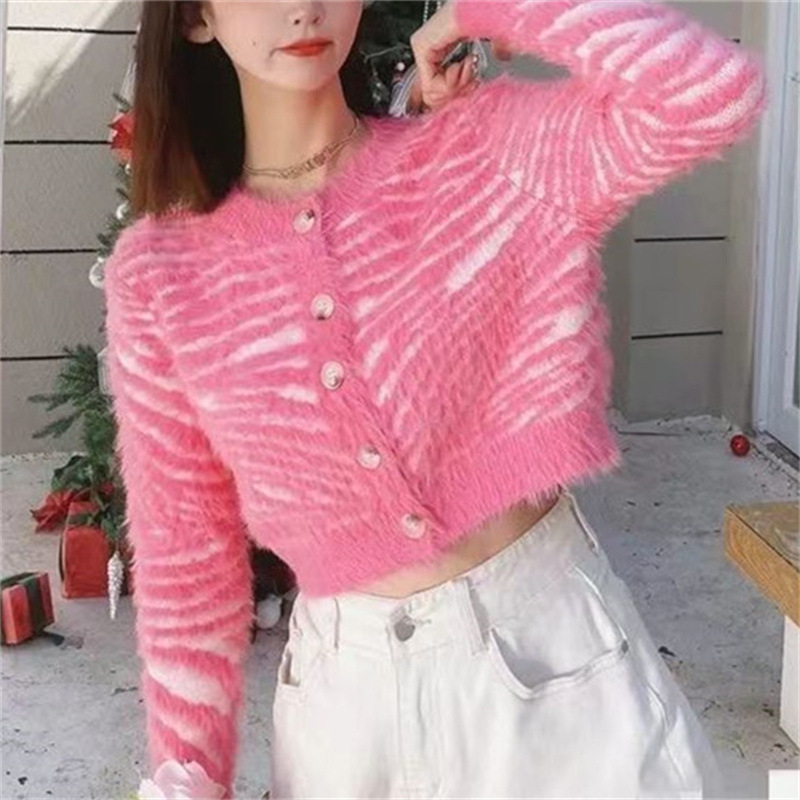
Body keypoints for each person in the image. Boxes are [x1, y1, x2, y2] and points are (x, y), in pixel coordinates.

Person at [103, 2, 768, 798]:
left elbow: (709, 95)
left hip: (557, 676)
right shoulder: (160, 277)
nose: (303, 7)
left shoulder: (481, 151)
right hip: (343, 724)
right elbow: (187, 563)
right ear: (195, 19)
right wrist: (189, 776)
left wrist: (500, 9)